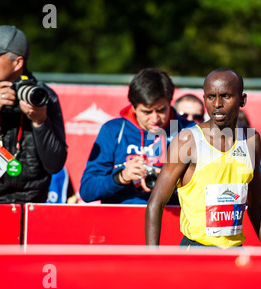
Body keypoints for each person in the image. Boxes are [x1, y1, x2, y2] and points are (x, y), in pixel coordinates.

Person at [145, 68, 261, 248]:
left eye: (225, 96)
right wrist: (151, 258)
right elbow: (156, 203)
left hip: (235, 251)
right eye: (210, 97)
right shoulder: (187, 140)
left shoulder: (251, 139)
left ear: (242, 100)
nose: (217, 104)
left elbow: (257, 206)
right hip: (196, 250)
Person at [0, 25, 67, 204]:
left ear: (17, 63)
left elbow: (55, 164)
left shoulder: (42, 97)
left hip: (31, 206)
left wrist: (40, 123)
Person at [79, 68, 194, 204]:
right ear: (133, 107)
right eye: (147, 112)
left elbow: (207, 185)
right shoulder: (113, 130)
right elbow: (87, 191)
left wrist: (171, 182)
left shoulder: (189, 130)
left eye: (161, 110)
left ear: (169, 103)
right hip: (122, 218)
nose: (155, 118)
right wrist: (122, 177)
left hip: (172, 217)